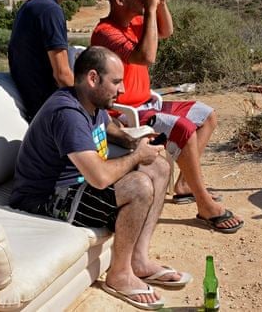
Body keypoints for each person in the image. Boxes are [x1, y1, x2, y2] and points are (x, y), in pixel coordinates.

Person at [10, 46, 191, 310]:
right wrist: (136, 156)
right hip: (44, 199)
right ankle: (119, 275)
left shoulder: (90, 101)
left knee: (160, 168)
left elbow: (106, 125)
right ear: (93, 78)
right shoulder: (68, 113)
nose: (122, 90)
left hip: (75, 187)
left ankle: (138, 261)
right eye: (116, 82)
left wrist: (132, 141)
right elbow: (99, 178)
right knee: (139, 186)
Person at [91, 0, 243, 234]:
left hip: (147, 104)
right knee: (182, 127)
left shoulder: (137, 20)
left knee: (206, 115)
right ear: (118, 0)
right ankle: (205, 204)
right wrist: (150, 9)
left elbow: (166, 31)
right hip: (125, 112)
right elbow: (147, 57)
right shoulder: (105, 33)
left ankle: (185, 185)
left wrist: (161, 4)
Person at [8, 0, 84, 120]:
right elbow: (62, 75)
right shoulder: (50, 10)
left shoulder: (33, 6)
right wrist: (88, 105)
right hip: (52, 113)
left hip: (40, 110)